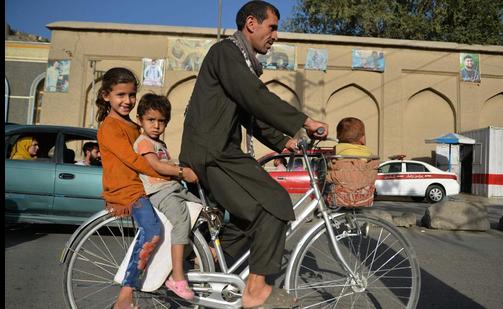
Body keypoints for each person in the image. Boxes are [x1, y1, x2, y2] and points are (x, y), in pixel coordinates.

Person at [179, 1, 328, 308]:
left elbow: (250, 113)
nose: (275, 35)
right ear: (251, 23)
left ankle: (202, 259)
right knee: (275, 203)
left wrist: (284, 141)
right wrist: (304, 121)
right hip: (213, 153)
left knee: (251, 219)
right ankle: (256, 289)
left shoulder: (240, 62)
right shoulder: (226, 53)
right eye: (272, 27)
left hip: (217, 151)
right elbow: (254, 96)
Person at [95, 67, 172, 309]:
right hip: (127, 191)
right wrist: (173, 172)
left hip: (142, 186)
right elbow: (135, 161)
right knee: (153, 231)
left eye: (131, 95)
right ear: (107, 95)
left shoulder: (131, 126)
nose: (128, 101)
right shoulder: (109, 127)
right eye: (121, 95)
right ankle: (125, 295)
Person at [133, 93, 200, 300]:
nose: (156, 125)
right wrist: (181, 172)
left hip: (173, 188)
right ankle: (177, 276)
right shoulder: (144, 142)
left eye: (161, 121)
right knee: (181, 220)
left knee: (202, 210)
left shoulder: (160, 143)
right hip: (159, 192)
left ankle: (195, 255)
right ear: (140, 120)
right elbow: (155, 165)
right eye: (151, 120)